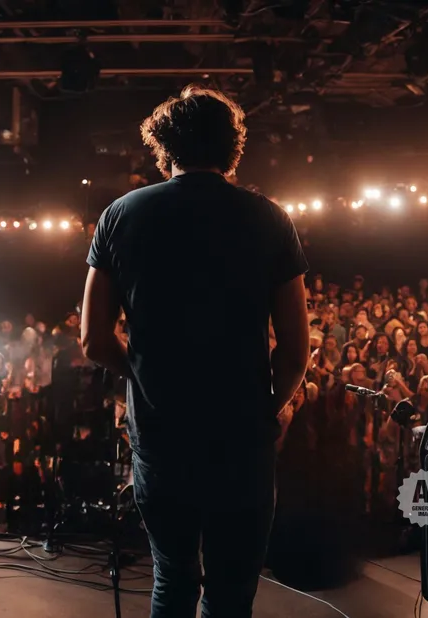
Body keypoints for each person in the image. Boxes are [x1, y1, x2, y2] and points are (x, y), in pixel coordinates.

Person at [80, 86, 309, 618]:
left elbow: (93, 340)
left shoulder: (120, 215)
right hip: (242, 439)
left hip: (161, 437)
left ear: (163, 146)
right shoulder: (270, 218)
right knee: (231, 594)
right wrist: (269, 408)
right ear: (233, 146)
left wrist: (140, 376)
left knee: (173, 579)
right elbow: (295, 350)